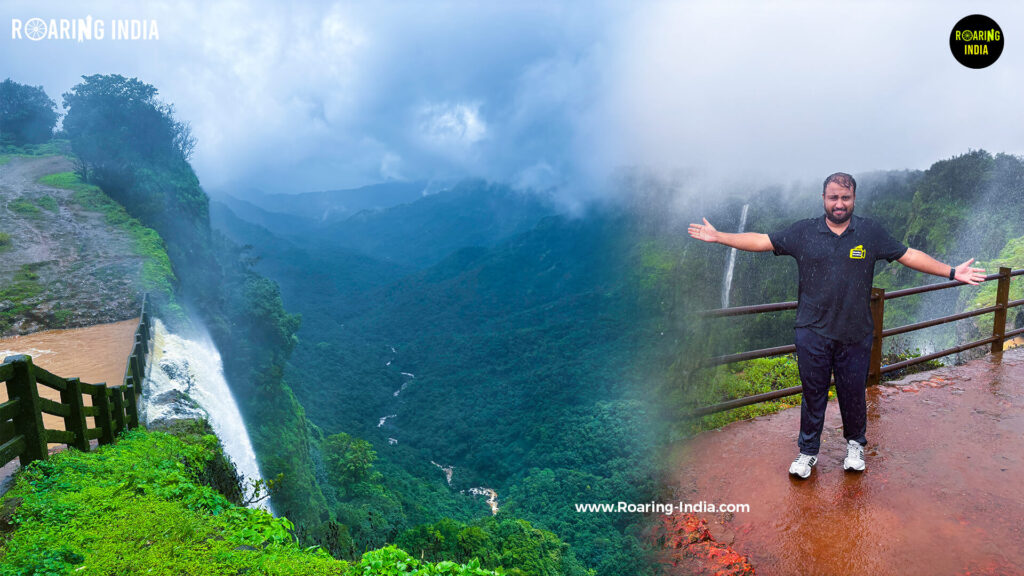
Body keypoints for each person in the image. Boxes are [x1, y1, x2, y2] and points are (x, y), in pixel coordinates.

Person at [687, 172, 986, 478]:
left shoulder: (870, 233)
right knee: (813, 393)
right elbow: (762, 240)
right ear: (823, 199)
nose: (839, 204)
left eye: (845, 197)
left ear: (854, 198)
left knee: (853, 392)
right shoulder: (804, 231)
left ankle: (855, 445)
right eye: (834, 198)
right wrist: (720, 236)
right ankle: (807, 452)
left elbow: (909, 255)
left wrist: (951, 272)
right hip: (812, 330)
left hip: (855, 332)